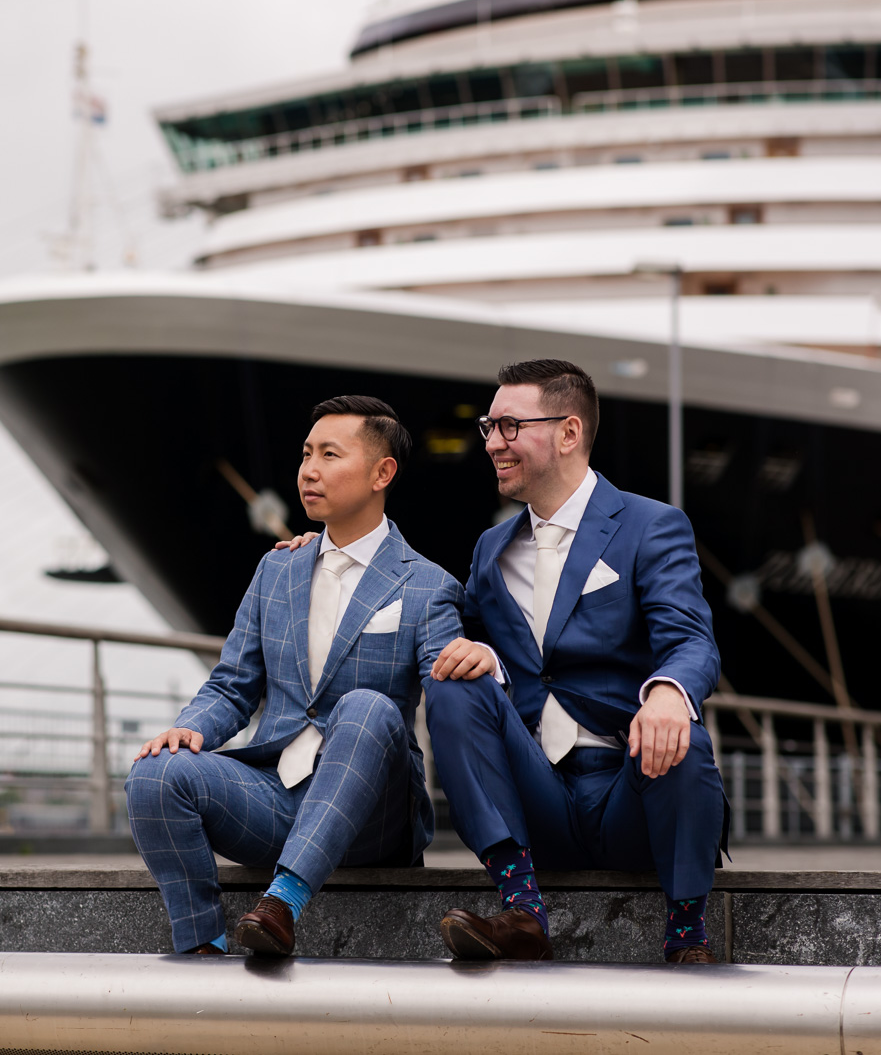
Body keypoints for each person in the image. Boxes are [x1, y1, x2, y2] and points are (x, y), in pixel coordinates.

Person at [125, 395, 463, 956]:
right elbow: (233, 683)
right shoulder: (277, 567)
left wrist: (477, 659)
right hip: (274, 796)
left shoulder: (428, 585)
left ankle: (282, 902)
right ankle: (203, 944)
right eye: (307, 454)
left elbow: (449, 691)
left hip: (371, 817)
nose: (309, 470)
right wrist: (190, 729)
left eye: (330, 455)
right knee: (156, 774)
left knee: (366, 707)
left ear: (383, 473)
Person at [424, 358, 728, 964]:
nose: (492, 443)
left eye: (509, 426)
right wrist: (321, 553)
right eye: (489, 427)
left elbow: (692, 640)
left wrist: (668, 691)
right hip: (540, 795)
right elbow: (448, 617)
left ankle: (687, 933)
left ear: (568, 432)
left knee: (684, 735)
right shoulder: (491, 549)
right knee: (453, 681)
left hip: (631, 791)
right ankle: (521, 910)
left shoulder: (651, 525)